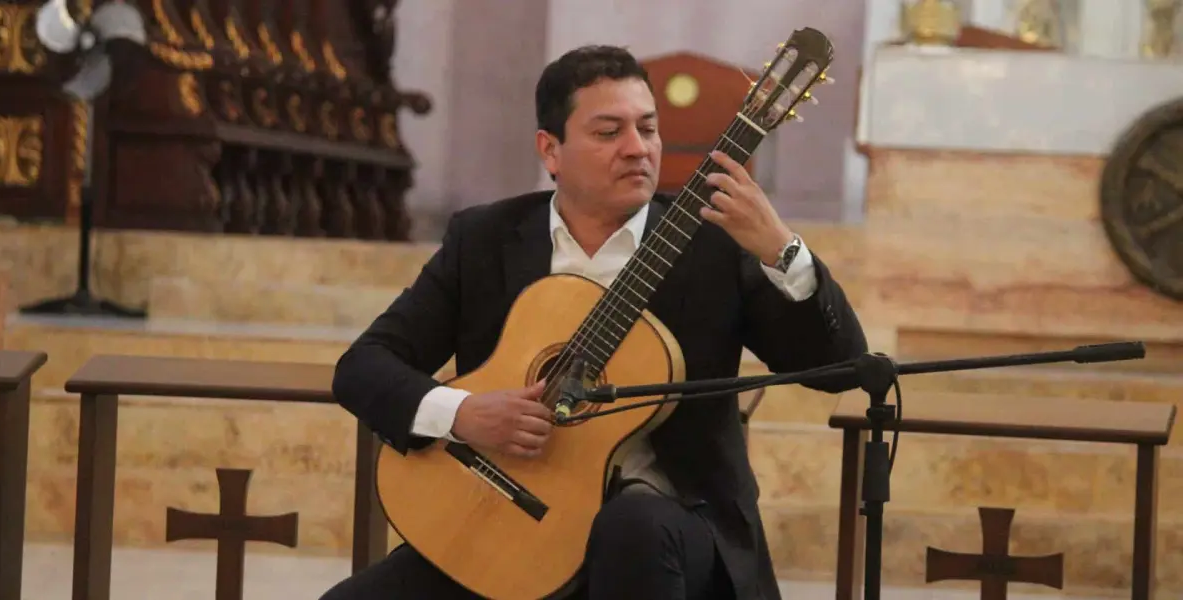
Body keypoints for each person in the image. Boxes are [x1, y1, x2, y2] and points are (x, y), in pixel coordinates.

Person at [323, 45, 867, 600]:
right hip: (514, 518)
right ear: (550, 150)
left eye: (648, 129)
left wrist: (783, 252)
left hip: (667, 529)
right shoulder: (484, 240)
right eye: (609, 133)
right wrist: (464, 414)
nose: (638, 149)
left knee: (630, 528)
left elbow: (839, 368)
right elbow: (362, 367)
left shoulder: (715, 248)